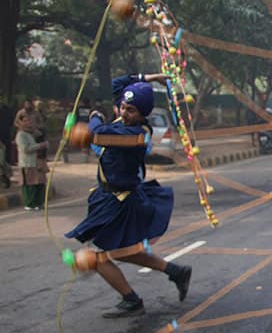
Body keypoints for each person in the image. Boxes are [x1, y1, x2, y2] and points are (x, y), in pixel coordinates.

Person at [65, 73, 192, 318]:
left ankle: (131, 300)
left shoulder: (136, 135)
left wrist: (93, 119)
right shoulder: (125, 122)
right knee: (127, 252)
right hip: (107, 198)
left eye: (131, 110)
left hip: (119, 203)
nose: (124, 113)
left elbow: (98, 134)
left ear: (143, 115)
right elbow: (117, 84)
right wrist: (151, 78)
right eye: (122, 107)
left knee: (99, 257)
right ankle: (176, 272)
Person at [15, 112, 48, 210]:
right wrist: (40, 146)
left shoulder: (34, 133)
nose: (28, 123)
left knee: (40, 183)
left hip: (38, 162)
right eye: (25, 121)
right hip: (28, 163)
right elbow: (25, 149)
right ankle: (30, 203)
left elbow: (42, 140)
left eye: (30, 120)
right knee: (30, 185)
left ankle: (39, 203)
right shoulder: (21, 135)